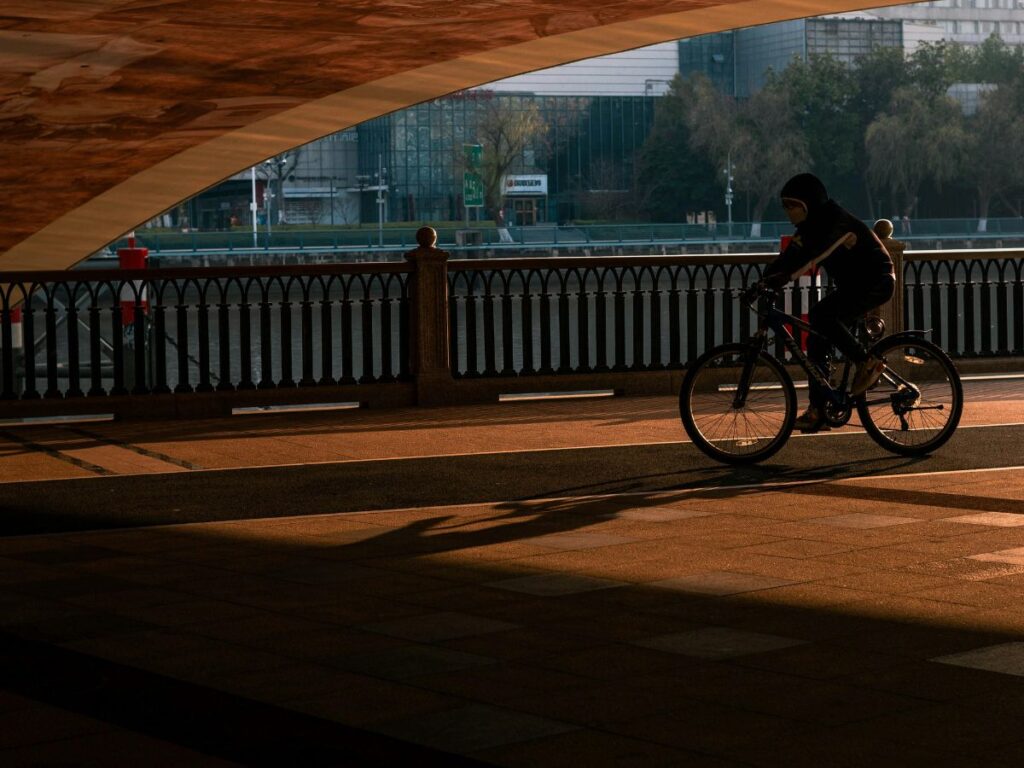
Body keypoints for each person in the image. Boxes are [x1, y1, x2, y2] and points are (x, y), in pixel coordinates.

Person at [762, 173, 896, 432]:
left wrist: (785, 277)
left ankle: (867, 363)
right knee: (816, 337)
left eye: (792, 205)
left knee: (822, 315)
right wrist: (764, 279)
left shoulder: (836, 221)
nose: (788, 212)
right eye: (785, 206)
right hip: (855, 285)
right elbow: (790, 255)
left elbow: (816, 253)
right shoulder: (809, 228)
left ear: (808, 204)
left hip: (875, 281)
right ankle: (819, 409)